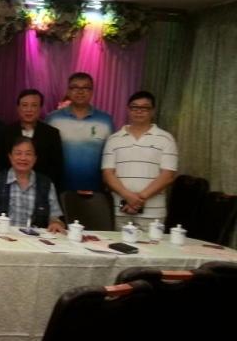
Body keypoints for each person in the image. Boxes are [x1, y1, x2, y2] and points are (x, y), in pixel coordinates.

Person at [102, 91, 178, 228]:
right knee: (116, 242)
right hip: (119, 210)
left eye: (145, 108)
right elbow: (108, 174)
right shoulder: (114, 139)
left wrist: (139, 199)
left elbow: (168, 176)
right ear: (128, 110)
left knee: (153, 243)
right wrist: (128, 197)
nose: (139, 111)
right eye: (134, 107)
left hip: (153, 214)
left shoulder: (166, 138)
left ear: (153, 111)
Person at [0, 137, 65, 233]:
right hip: (3, 236)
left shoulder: (46, 184)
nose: (23, 158)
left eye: (28, 154)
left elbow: (55, 217)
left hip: (35, 238)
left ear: (35, 158)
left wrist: (56, 223)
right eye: (18, 153)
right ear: (10, 157)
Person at [45, 72, 114, 192]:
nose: (80, 92)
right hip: (59, 190)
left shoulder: (106, 120)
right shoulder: (52, 119)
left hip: (96, 191)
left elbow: (111, 157)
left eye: (85, 88)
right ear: (68, 91)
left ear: (92, 92)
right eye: (75, 87)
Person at [3, 89, 64, 191]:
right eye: (25, 105)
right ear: (18, 108)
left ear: (40, 108)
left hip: (42, 189)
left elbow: (56, 168)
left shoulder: (52, 134)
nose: (29, 109)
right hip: (10, 188)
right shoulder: (6, 132)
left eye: (34, 105)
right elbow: (0, 164)